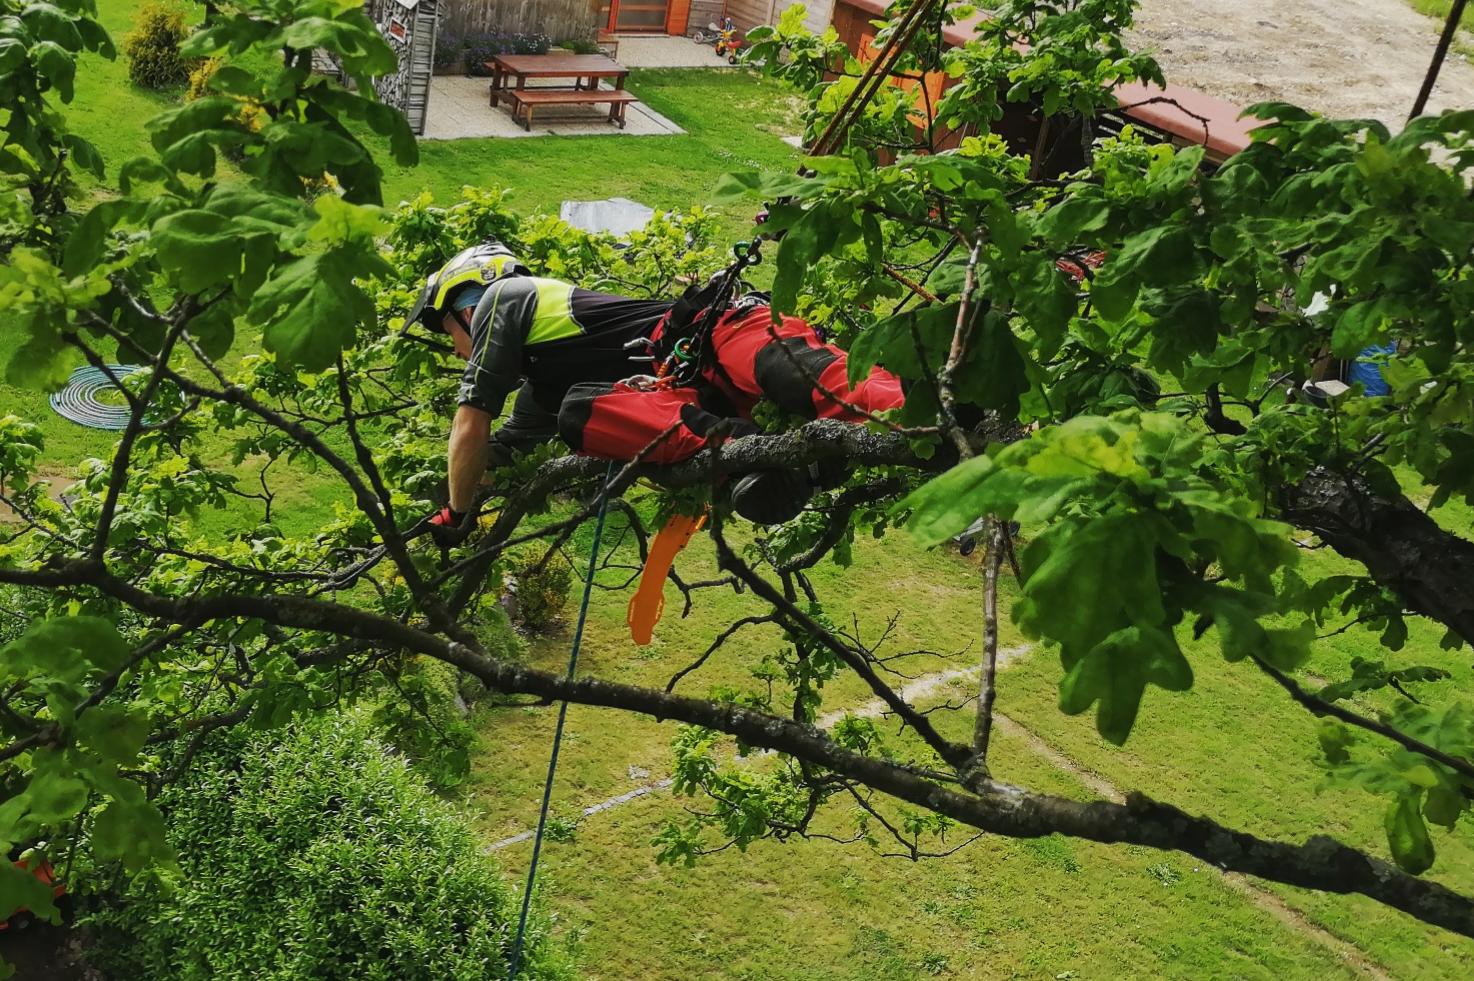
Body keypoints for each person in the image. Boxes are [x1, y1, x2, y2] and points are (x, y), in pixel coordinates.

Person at [403, 240, 904, 541]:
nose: (455, 351)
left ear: (466, 306)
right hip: (697, 395)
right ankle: (757, 458)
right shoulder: (543, 389)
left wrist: (458, 513)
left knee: (801, 375)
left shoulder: (504, 297)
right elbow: (500, 457)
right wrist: (436, 496)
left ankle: (921, 410)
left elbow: (472, 422)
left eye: (449, 333)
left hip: (719, 333)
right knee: (579, 413)